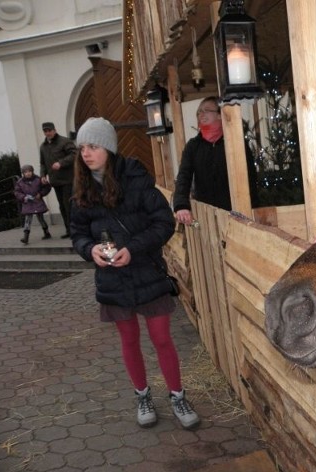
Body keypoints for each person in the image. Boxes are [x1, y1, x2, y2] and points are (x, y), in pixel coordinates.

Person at [70, 117, 200, 430]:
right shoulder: (81, 191)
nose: (86, 153)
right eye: (82, 148)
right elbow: (77, 233)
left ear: (109, 148)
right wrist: (91, 250)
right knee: (129, 340)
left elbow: (164, 223)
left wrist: (133, 249)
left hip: (146, 272)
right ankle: (142, 396)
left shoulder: (135, 177)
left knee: (161, 339)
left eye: (93, 146)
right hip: (112, 279)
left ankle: (177, 395)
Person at [173, 96, 231, 225]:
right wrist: (181, 205)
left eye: (207, 110)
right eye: (199, 112)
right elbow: (184, 176)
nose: (201, 114)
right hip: (206, 214)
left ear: (219, 115)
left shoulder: (233, 142)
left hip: (234, 212)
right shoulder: (193, 146)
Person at [40, 121, 76, 239]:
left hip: (68, 179)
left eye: (49, 130)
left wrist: (61, 163)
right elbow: (42, 163)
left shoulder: (65, 141)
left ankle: (74, 230)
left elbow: (74, 154)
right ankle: (68, 230)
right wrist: (43, 175)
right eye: (45, 131)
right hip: (55, 181)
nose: (48, 133)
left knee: (69, 205)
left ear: (54, 130)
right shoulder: (43, 146)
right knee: (62, 206)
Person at [14, 164, 52, 245]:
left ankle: (46, 232)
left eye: (29, 171)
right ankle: (26, 237)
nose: (28, 173)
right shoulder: (20, 182)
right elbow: (17, 192)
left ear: (32, 171)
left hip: (37, 201)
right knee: (27, 220)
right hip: (27, 203)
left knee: (41, 219)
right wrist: (23, 197)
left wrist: (41, 194)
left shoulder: (38, 179)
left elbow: (47, 187)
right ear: (23, 173)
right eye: (26, 172)